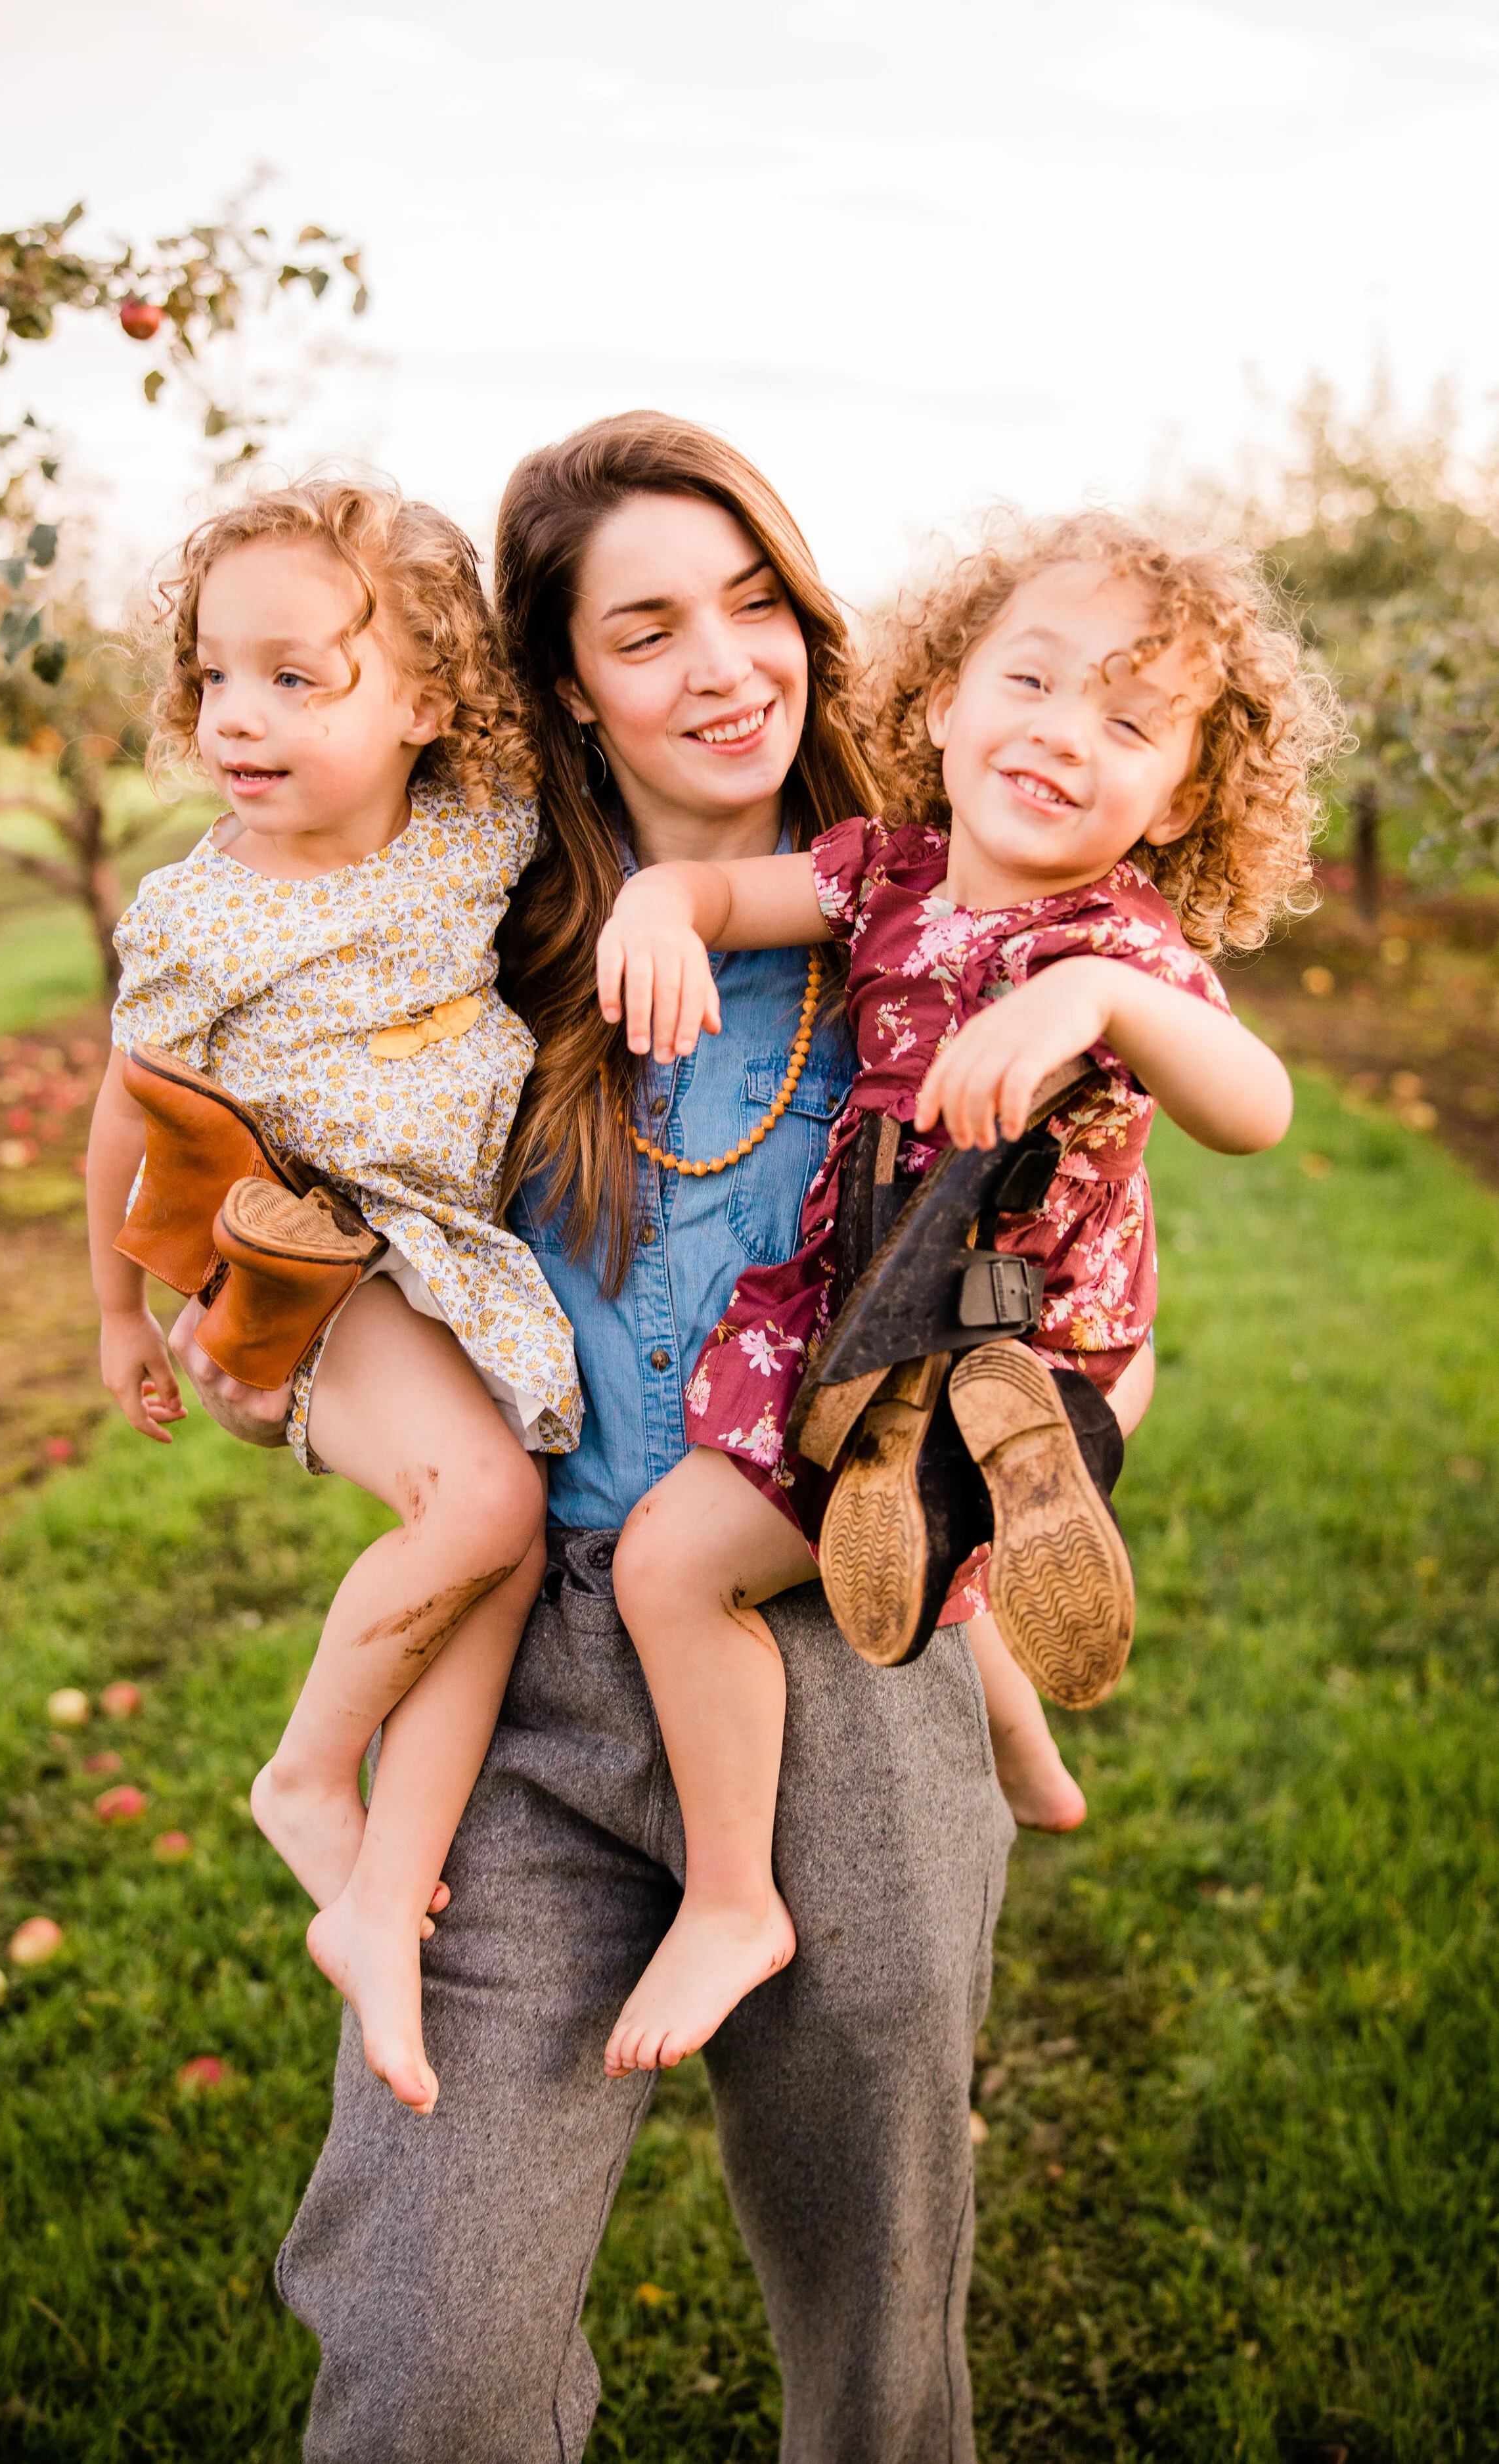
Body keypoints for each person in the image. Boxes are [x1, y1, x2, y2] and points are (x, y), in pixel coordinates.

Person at [176, 414, 1018, 2464]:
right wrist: (268, 1345)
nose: (724, 664)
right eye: (646, 629)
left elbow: (1082, 1312)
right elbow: (301, 1236)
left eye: (755, 604)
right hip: (529, 1692)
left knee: (879, 2338)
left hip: (836, 1666)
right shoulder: (470, 934)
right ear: (562, 678)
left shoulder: (932, 924)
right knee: (425, 2351)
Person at [595, 512, 1340, 2077]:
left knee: (672, 1564)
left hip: (1022, 1321)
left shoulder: (1122, 942)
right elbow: (731, 898)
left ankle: (736, 1898)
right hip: (883, 1300)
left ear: (1183, 793)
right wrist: (657, 905)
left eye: (1128, 724)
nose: (1063, 734)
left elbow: (1255, 1106)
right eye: (1031, 682)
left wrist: (1099, 999)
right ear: (937, 701)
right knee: (913, 1518)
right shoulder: (892, 882)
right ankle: (1010, 1681)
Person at [85, 479, 581, 2118]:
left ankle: (383, 1896)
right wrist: (114, 1316)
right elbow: (127, 1113)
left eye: (298, 678)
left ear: (427, 705)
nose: (239, 717)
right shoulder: (199, 910)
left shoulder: (477, 828)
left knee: (493, 1556)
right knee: (483, 1499)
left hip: (454, 1257)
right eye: (217, 675)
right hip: (319, 1253)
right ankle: (305, 1777)